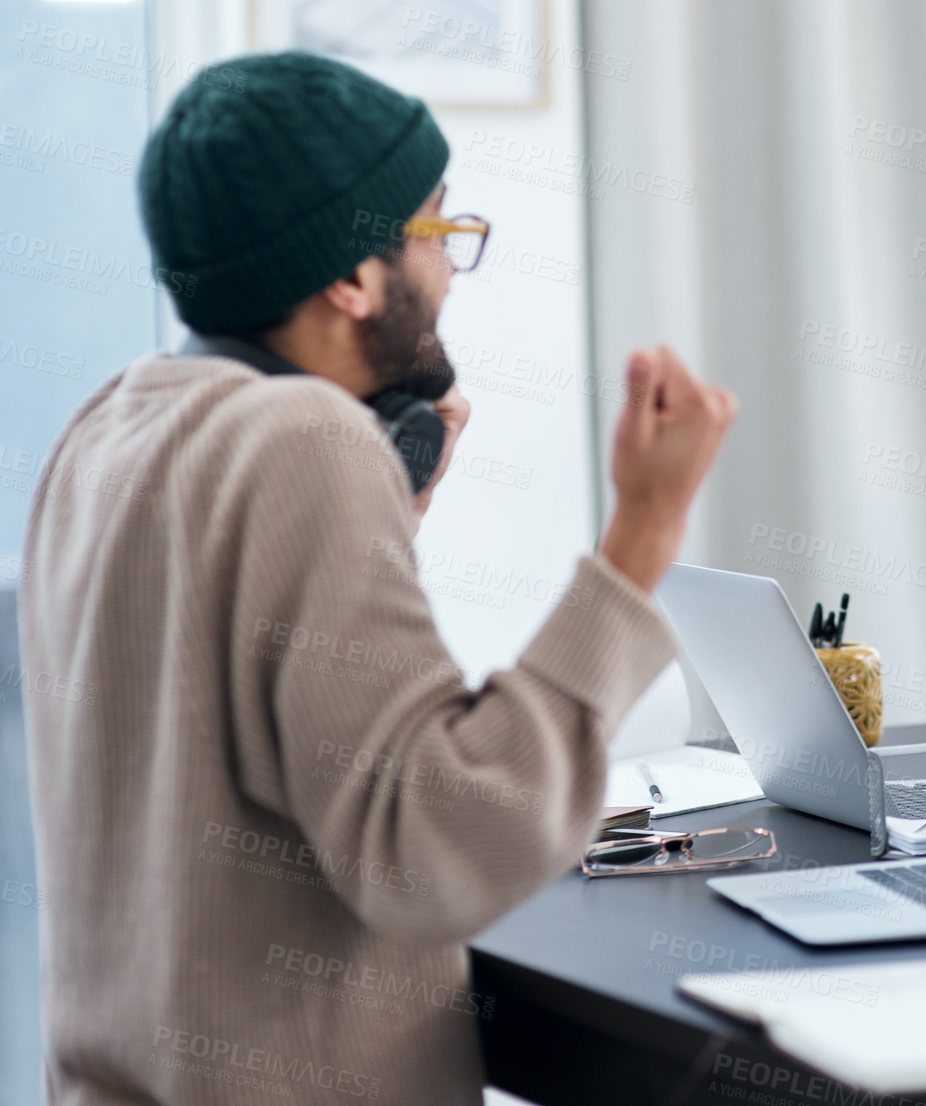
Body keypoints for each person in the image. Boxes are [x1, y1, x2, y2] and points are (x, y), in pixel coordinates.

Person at [20, 52, 735, 1104]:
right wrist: (643, 537)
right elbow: (440, 845)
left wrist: (386, 518)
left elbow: (229, 722)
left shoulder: (115, 422)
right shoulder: (305, 441)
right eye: (440, 234)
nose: (450, 272)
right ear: (352, 277)